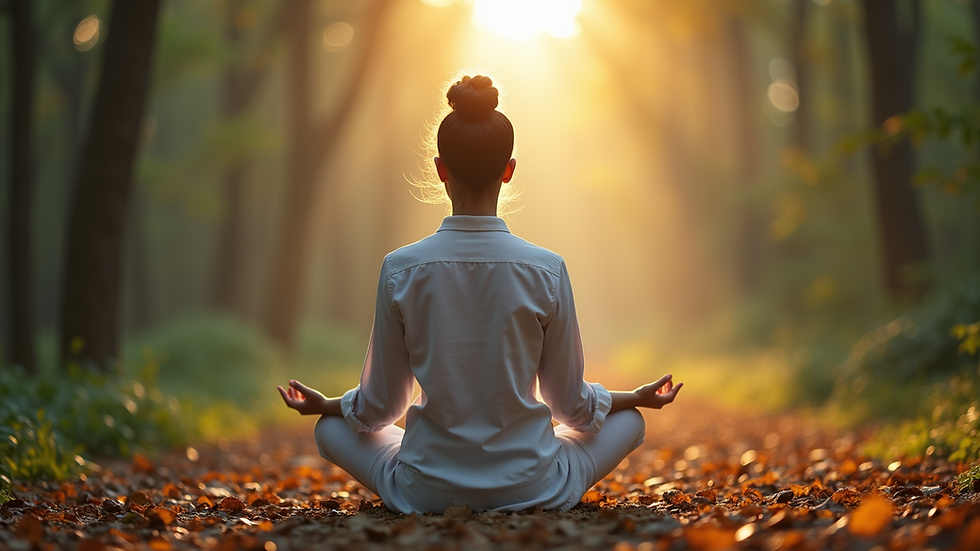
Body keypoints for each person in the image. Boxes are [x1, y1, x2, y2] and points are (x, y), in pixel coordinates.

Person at [277, 75, 682, 514]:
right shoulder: (547, 268)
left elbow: (380, 408)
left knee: (329, 430)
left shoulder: (401, 268)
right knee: (629, 422)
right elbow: (571, 407)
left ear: (440, 169)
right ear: (509, 170)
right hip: (532, 486)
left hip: (425, 489)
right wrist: (632, 398)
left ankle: (423, 480)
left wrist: (330, 405)